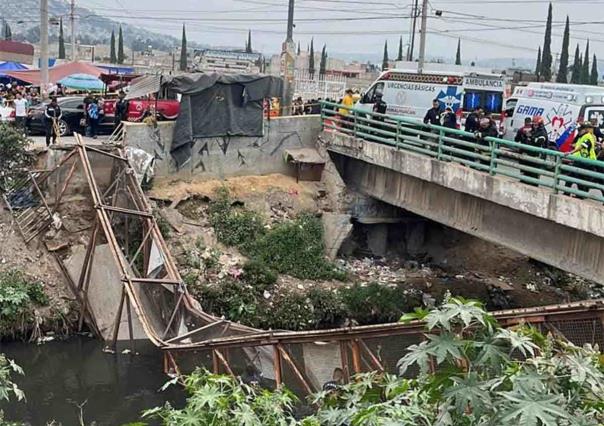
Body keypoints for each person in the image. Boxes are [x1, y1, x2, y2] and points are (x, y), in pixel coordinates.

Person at [564, 121, 597, 198]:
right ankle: (567, 192)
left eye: (581, 129)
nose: (579, 131)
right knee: (571, 176)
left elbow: (582, 146)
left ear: (585, 130)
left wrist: (570, 152)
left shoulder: (588, 137)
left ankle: (581, 195)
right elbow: (578, 145)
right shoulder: (581, 136)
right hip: (580, 160)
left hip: (588, 161)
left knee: (582, 178)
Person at [518, 116, 547, 185]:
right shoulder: (532, 130)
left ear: (540, 124)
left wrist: (531, 137)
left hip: (537, 156)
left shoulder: (543, 132)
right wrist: (524, 135)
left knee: (534, 176)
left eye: (536, 124)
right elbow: (526, 140)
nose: (534, 126)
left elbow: (539, 142)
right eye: (533, 124)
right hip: (529, 154)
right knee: (525, 173)